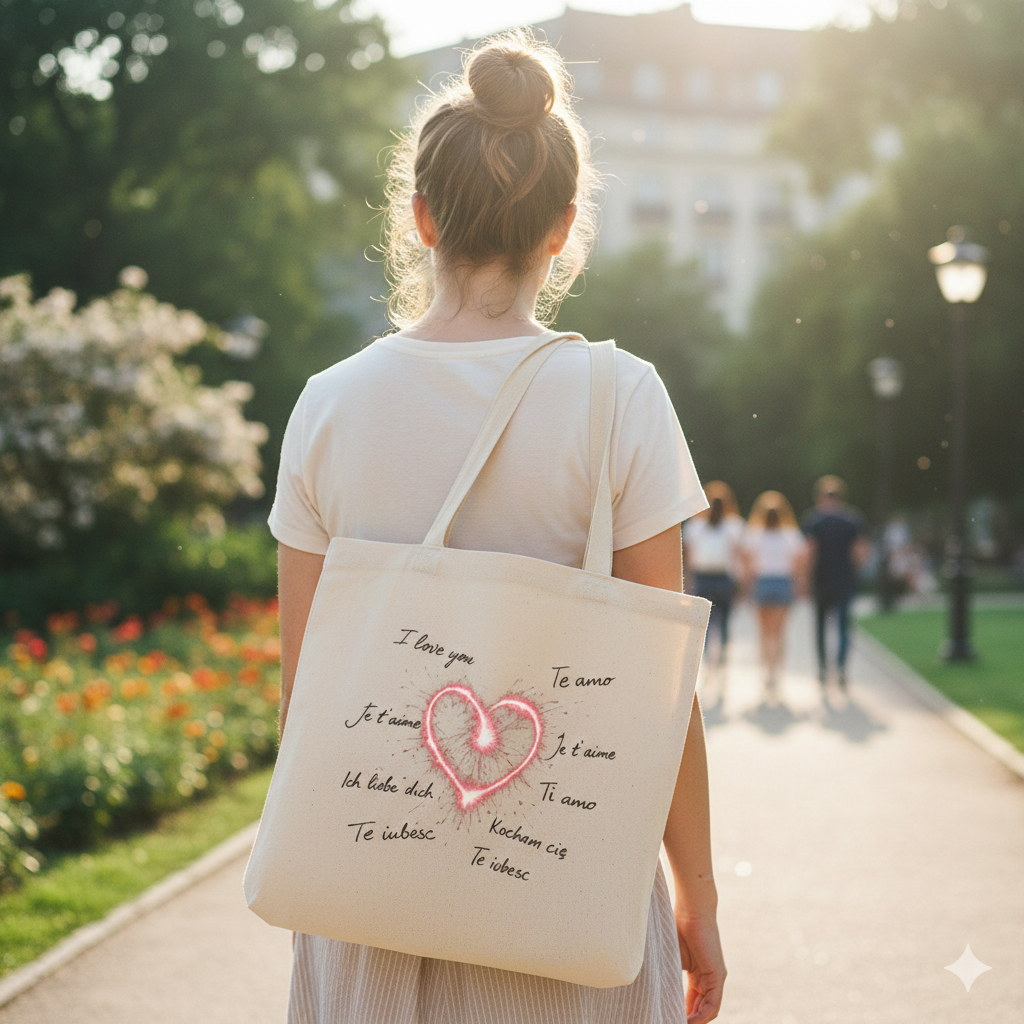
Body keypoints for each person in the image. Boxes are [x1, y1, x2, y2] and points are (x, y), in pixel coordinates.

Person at [268, 30, 726, 1024]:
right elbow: (661, 695)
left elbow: (308, 694)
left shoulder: (327, 406)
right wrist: (699, 898)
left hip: (371, 906)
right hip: (561, 894)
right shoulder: (622, 397)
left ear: (421, 217)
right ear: (563, 228)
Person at [801, 475, 868, 692]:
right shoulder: (852, 520)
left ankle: (822, 669)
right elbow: (859, 551)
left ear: (820, 497)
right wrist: (853, 569)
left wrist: (804, 580)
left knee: (820, 627)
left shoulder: (814, 520)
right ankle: (840, 668)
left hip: (821, 581)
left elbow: (809, 553)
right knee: (843, 627)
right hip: (844, 580)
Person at [741, 491, 808, 703]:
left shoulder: (754, 534)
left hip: (762, 583)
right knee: (779, 633)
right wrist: (800, 587)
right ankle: (776, 673)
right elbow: (799, 564)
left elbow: (748, 566)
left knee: (764, 632)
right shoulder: (791, 535)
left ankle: (766, 671)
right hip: (782, 583)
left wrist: (746, 589)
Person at [682, 481, 744, 697]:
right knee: (725, 625)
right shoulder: (734, 525)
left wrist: (688, 582)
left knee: (705, 627)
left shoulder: (695, 526)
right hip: (724, 579)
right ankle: (723, 666)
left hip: (703, 579)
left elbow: (689, 558)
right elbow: (737, 557)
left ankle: (708, 666)